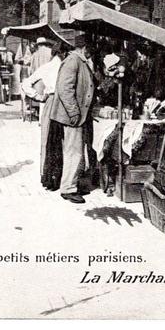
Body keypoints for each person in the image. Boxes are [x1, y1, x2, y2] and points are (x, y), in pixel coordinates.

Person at [51, 34, 95, 204]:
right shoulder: (73, 61)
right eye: (90, 48)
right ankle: (68, 188)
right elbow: (64, 89)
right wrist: (74, 112)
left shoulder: (81, 61)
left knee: (77, 152)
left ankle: (74, 184)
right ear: (85, 48)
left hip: (79, 116)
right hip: (73, 117)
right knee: (73, 152)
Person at [21, 41, 70, 189]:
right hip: (64, 103)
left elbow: (25, 83)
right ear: (62, 54)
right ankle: (62, 176)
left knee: (48, 139)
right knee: (64, 141)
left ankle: (47, 175)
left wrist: (37, 96)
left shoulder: (46, 67)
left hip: (50, 101)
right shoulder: (64, 67)